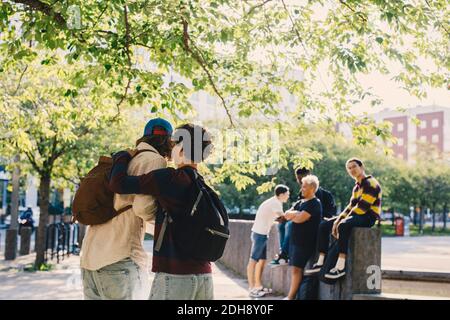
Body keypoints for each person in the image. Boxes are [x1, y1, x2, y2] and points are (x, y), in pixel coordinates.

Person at [109, 124, 215, 300]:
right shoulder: (203, 186)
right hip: (205, 275)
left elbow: (118, 184)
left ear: (180, 148)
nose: (170, 150)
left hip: (174, 276)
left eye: (173, 145)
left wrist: (121, 156)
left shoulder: (168, 178)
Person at [80, 117, 173, 300]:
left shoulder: (124, 160)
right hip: (119, 257)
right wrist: (168, 229)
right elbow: (143, 208)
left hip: (90, 258)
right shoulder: (154, 160)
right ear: (167, 141)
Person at [305, 158, 381, 280]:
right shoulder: (357, 187)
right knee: (324, 225)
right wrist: (337, 219)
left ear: (362, 167)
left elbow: (361, 208)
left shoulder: (370, 183)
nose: (352, 170)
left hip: (368, 217)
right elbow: (351, 206)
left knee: (344, 225)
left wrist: (340, 222)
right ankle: (320, 262)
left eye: (354, 166)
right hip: (357, 215)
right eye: (349, 168)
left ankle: (340, 267)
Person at [271, 167, 336, 265]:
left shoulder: (318, 193)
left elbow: (312, 212)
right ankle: (284, 253)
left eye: (303, 178)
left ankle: (284, 255)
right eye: (298, 179)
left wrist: (293, 215)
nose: (300, 181)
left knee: (290, 225)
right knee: (281, 225)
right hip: (302, 217)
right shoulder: (302, 192)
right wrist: (285, 216)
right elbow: (297, 208)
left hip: (317, 219)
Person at [247, 184, 290, 298]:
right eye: (287, 194)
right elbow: (284, 218)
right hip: (259, 234)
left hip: (261, 233)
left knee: (261, 261)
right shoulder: (276, 203)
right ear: (281, 194)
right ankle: (251, 288)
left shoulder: (273, 202)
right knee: (253, 261)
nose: (288, 196)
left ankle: (258, 286)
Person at [283, 175, 322, 300]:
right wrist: (295, 213)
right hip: (295, 241)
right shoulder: (300, 202)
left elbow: (300, 219)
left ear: (312, 188)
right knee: (295, 269)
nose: (302, 189)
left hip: (305, 242)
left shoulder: (315, 203)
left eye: (304, 187)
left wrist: (294, 215)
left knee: (296, 269)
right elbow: (286, 214)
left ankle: (290, 297)